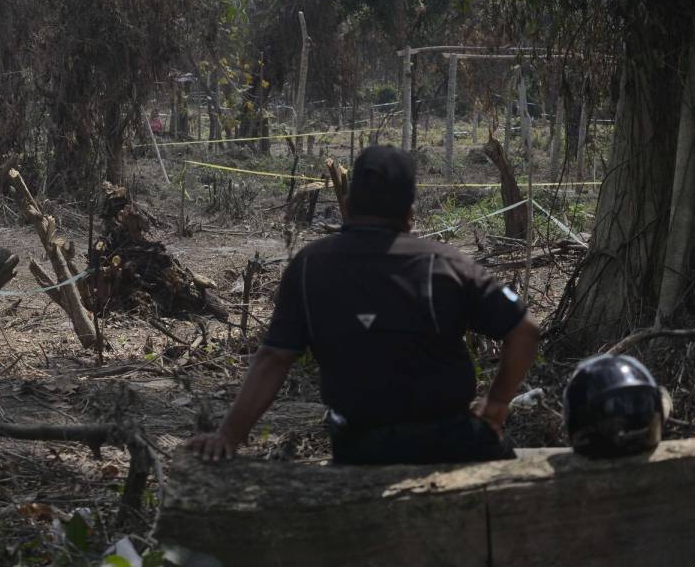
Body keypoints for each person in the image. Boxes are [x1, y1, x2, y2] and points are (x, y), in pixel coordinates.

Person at [189, 145, 541, 465]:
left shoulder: (310, 266)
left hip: (360, 446)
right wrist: (496, 404)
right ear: (411, 210)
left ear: (347, 204)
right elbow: (525, 330)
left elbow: (274, 358)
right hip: (450, 441)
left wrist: (228, 436)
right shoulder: (445, 263)